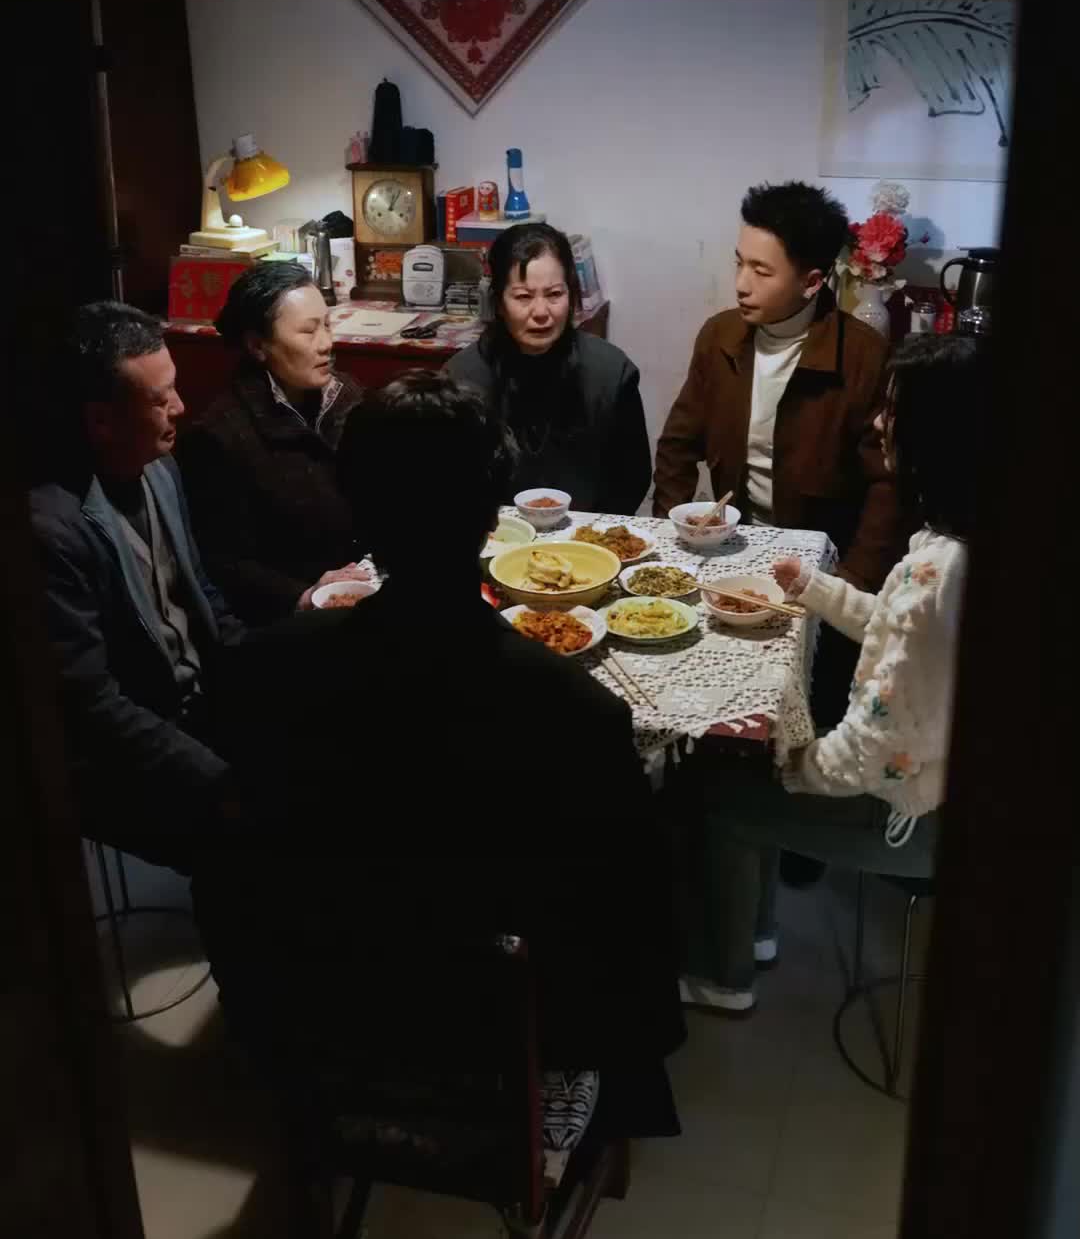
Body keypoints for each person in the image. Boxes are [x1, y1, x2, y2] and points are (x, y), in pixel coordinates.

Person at [196, 373, 685, 1136]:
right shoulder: (573, 711)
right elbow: (628, 937)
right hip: (505, 1039)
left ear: (355, 507)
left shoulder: (265, 670)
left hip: (322, 1018)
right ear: (493, 518)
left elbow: (230, 876)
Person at [679, 334, 976, 1013]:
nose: (880, 423)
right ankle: (753, 936)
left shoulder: (940, 572)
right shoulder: (961, 540)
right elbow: (897, 630)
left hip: (910, 813)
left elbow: (876, 744)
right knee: (746, 760)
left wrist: (796, 765)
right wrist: (813, 589)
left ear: (938, 435)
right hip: (935, 789)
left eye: (895, 411)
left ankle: (721, 977)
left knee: (716, 788)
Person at [28, 302, 248, 872]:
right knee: (259, 836)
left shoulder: (159, 467)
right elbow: (91, 706)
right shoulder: (52, 527)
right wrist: (217, 778)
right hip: (129, 754)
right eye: (159, 399)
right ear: (101, 421)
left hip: (202, 710)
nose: (180, 407)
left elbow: (204, 600)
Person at [653, 181, 897, 592]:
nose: (741, 284)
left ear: (812, 282)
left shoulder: (864, 356)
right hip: (734, 547)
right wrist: (672, 536)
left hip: (824, 565)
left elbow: (887, 487)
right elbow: (678, 445)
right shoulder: (719, 337)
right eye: (739, 263)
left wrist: (852, 581)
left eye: (761, 271)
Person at [178, 262, 366, 622]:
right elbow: (222, 560)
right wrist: (302, 595)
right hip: (288, 621)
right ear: (257, 346)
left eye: (327, 325)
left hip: (362, 587)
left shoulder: (348, 395)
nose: (326, 344)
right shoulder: (219, 437)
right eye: (308, 332)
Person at [446, 222, 651, 514]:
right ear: (499, 303)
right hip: (496, 532)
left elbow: (631, 477)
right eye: (523, 297)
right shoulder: (461, 380)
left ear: (572, 295)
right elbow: (451, 484)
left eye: (554, 294)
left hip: (589, 533)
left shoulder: (611, 373)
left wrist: (591, 533)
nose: (541, 312)